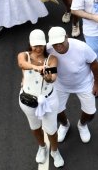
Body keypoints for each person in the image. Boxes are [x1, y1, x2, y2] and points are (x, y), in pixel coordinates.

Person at [46, 26, 98, 144]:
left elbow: (94, 64)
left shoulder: (81, 47)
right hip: (60, 85)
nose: (58, 46)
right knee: (55, 111)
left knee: (90, 113)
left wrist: (96, 83)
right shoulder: (48, 49)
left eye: (61, 42)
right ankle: (65, 125)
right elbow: (34, 55)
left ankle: (82, 125)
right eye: (55, 44)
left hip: (84, 83)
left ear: (66, 37)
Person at [17, 29, 64, 168]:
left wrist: (47, 76)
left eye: (41, 45)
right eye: (35, 45)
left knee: (51, 129)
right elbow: (22, 64)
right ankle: (42, 147)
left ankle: (55, 151)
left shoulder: (52, 59)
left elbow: (52, 78)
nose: (38, 48)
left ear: (45, 44)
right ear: (30, 44)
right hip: (28, 100)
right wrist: (36, 68)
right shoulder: (23, 55)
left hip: (49, 100)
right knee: (35, 126)